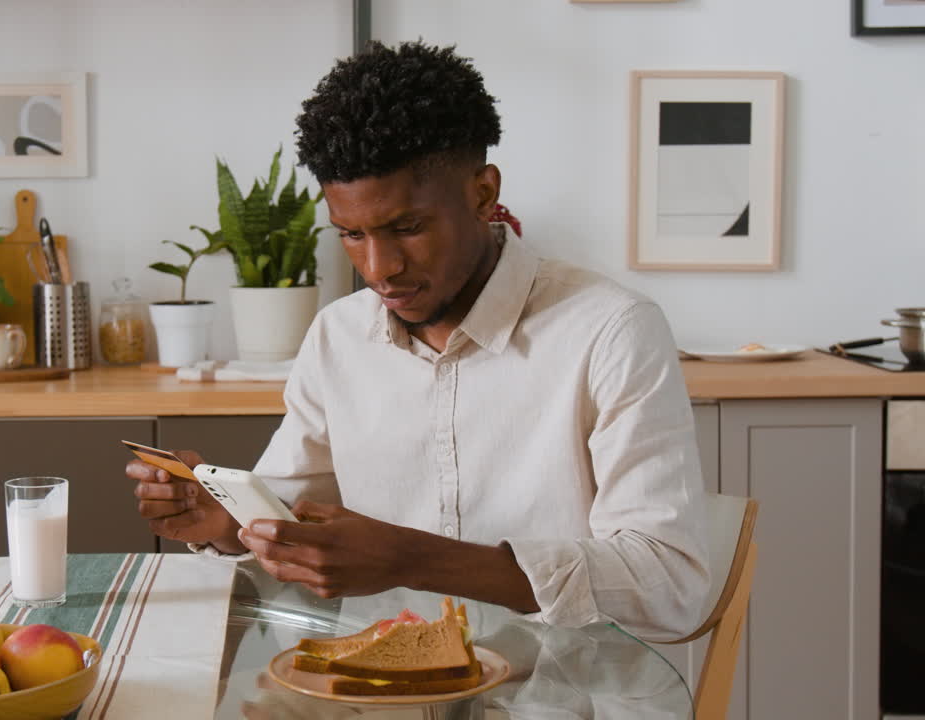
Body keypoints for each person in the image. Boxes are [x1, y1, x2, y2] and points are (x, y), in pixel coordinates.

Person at [128, 41, 709, 641]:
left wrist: (410, 559)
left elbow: (669, 588)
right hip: (378, 687)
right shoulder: (339, 336)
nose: (378, 268)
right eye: (351, 234)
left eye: (407, 228)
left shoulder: (612, 331)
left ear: (483, 194)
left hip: (564, 697)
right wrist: (224, 520)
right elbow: (287, 516)